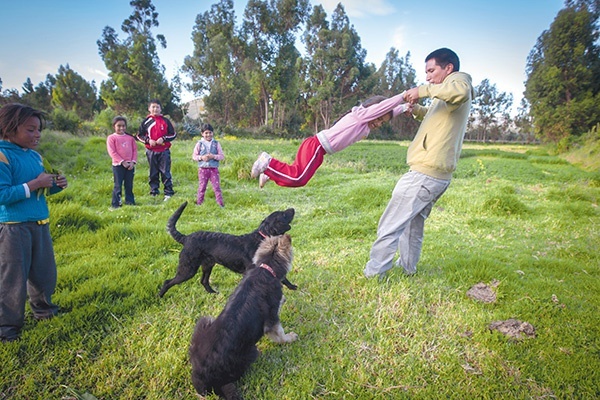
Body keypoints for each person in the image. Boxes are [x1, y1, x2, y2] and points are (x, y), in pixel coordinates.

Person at [364, 48, 474, 279]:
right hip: (437, 175)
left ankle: (374, 274)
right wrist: (417, 111)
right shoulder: (443, 95)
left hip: (424, 174)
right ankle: (407, 269)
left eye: (431, 70)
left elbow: (460, 91)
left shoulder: (459, 81)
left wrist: (421, 91)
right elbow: (437, 113)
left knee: (390, 223)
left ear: (449, 68)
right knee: (413, 225)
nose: (427, 77)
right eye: (426, 73)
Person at [0, 103, 68, 342]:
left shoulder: (36, 157)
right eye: (30, 130)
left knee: (44, 273)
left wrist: (55, 186)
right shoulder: (2, 155)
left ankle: (44, 310)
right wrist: (34, 185)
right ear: (9, 128)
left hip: (40, 223)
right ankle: (7, 328)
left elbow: (42, 191)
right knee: (12, 279)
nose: (37, 134)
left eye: (39, 129)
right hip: (13, 228)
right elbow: (2, 195)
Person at [250, 94, 410, 188]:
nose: (378, 123)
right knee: (299, 178)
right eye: (378, 118)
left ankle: (270, 173)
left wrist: (404, 108)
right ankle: (267, 162)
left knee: (297, 175)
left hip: (319, 149)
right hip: (316, 146)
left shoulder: (366, 126)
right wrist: (403, 96)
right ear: (372, 111)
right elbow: (383, 107)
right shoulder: (361, 115)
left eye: (382, 122)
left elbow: (389, 112)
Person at [136, 99, 177, 201]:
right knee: (153, 172)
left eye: (157, 107)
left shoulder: (166, 121)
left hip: (164, 150)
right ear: (149, 109)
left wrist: (163, 139)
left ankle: (168, 192)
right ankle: (154, 191)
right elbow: (139, 135)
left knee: (165, 172)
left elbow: (173, 134)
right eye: (153, 107)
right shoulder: (146, 122)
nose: (155, 109)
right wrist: (148, 140)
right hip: (151, 151)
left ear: (160, 109)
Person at [106, 116, 137, 208]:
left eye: (123, 126)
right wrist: (122, 162)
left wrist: (132, 162)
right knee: (118, 185)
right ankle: (116, 203)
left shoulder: (130, 138)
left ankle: (130, 202)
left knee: (129, 185)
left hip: (130, 166)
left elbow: (134, 150)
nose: (121, 128)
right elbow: (112, 152)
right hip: (118, 165)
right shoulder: (111, 138)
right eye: (119, 126)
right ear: (114, 127)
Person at [192, 123, 225, 207]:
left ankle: (220, 204)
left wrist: (213, 156)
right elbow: (194, 156)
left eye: (210, 132)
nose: (208, 135)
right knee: (202, 186)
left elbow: (221, 156)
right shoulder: (199, 144)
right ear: (202, 134)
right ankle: (199, 203)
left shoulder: (216, 143)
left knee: (216, 187)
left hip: (214, 169)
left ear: (212, 133)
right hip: (203, 169)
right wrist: (202, 157)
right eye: (206, 133)